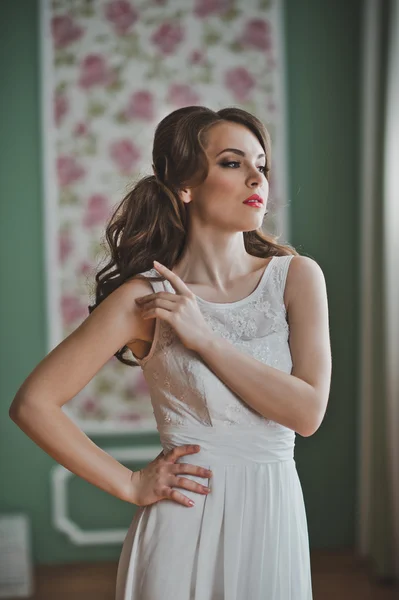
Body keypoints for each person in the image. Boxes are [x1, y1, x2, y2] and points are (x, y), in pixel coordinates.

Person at [9, 105, 332, 599]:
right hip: (184, 524)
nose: (255, 177)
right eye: (232, 162)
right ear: (185, 185)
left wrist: (205, 339)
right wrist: (130, 485)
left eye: (260, 165)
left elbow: (307, 413)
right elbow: (32, 404)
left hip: (273, 517)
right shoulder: (143, 300)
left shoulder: (297, 277)